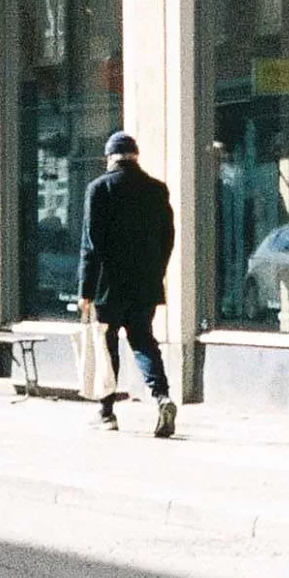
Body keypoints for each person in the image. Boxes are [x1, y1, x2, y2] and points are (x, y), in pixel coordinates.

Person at [77, 130, 177, 438]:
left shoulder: (99, 188)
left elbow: (91, 244)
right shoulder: (157, 190)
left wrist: (86, 290)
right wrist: (156, 273)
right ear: (135, 157)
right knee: (143, 340)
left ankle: (107, 412)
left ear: (110, 158)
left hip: (109, 286)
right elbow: (167, 239)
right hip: (145, 284)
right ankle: (162, 396)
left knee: (107, 348)